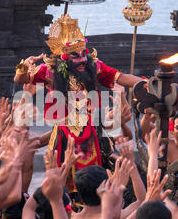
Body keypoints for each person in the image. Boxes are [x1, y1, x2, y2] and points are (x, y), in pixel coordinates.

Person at [13, 14, 142, 195]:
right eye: (75, 55)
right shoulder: (49, 70)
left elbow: (121, 78)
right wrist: (23, 67)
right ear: (62, 56)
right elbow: (21, 80)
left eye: (84, 54)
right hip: (64, 135)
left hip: (92, 134)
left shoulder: (95, 66)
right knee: (61, 183)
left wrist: (147, 84)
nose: (82, 59)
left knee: (95, 182)